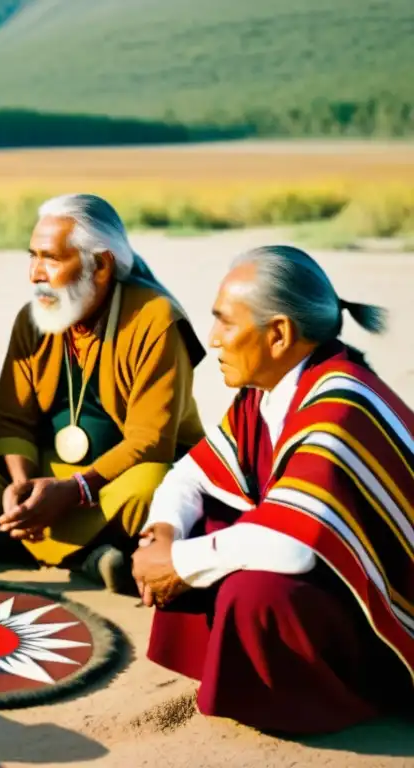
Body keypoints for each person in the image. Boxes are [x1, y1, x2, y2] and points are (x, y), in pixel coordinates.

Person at [134, 245, 414, 734]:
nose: (213, 339)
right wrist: (163, 534)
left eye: (225, 322)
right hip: (331, 573)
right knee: (208, 523)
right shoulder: (264, 396)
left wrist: (176, 563)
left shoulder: (341, 403)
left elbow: (295, 545)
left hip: (388, 612)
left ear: (279, 333)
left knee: (254, 592)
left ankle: (339, 698)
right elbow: (192, 474)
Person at [0, 194, 206, 592]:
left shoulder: (154, 319)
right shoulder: (33, 318)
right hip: (50, 474)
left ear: (101, 265)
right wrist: (21, 485)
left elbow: (151, 443)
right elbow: (12, 420)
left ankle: (37, 546)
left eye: (51, 258)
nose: (36, 273)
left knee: (152, 486)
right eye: (32, 256)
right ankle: (93, 555)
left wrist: (76, 489)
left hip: (115, 483)